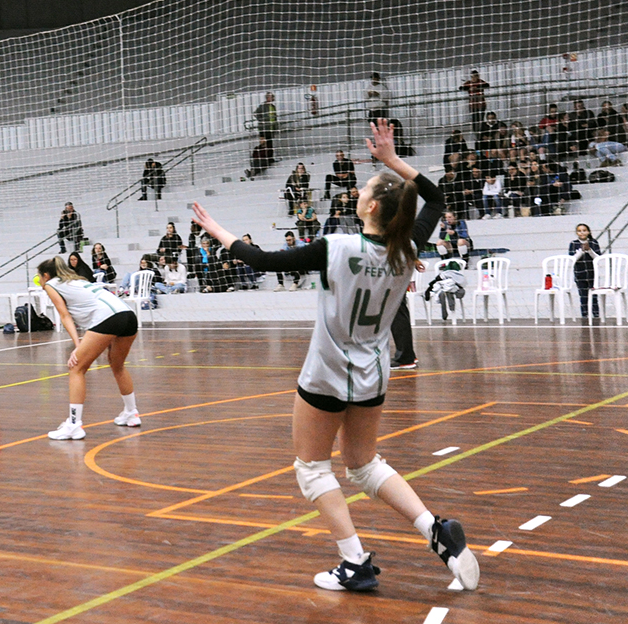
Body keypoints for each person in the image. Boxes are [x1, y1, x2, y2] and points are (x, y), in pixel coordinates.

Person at [191, 119, 478, 593]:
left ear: (370, 206)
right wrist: (392, 162)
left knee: (311, 469)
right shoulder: (407, 249)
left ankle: (355, 562)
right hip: (373, 375)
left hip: (326, 374)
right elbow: (440, 199)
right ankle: (435, 530)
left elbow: (262, 261)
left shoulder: (336, 246)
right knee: (364, 465)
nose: (359, 191)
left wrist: (218, 230)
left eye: (366, 187)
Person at [40, 256, 140, 440]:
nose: (39, 281)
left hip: (107, 317)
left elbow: (64, 316)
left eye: (39, 277)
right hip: (128, 315)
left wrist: (77, 346)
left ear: (46, 275)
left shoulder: (50, 285)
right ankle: (131, 413)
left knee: (76, 368)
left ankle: (73, 425)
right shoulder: (76, 280)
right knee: (117, 365)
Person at [569, 223, 603, 319]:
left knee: (594, 296)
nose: (582, 232)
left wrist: (590, 250)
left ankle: (596, 315)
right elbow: (572, 259)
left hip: (592, 273)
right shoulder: (573, 243)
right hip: (580, 274)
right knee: (583, 296)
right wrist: (581, 251)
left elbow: (598, 258)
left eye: (584, 230)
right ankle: (584, 315)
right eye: (579, 231)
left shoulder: (594, 242)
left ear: (588, 232)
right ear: (576, 232)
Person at [459, 69, 489, 135]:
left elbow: (487, 85)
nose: (475, 78)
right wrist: (469, 88)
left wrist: (477, 87)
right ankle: (475, 132)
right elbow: (461, 88)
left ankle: (481, 131)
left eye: (476, 76)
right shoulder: (469, 83)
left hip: (481, 104)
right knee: (474, 119)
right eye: (474, 76)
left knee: (481, 118)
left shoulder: (480, 82)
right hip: (473, 105)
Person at [253, 92, 278, 162]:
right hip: (264, 128)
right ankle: (263, 157)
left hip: (271, 128)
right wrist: (261, 120)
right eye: (271, 97)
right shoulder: (263, 106)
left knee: (270, 143)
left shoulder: (273, 106)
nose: (273, 98)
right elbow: (256, 113)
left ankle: (270, 158)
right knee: (264, 143)